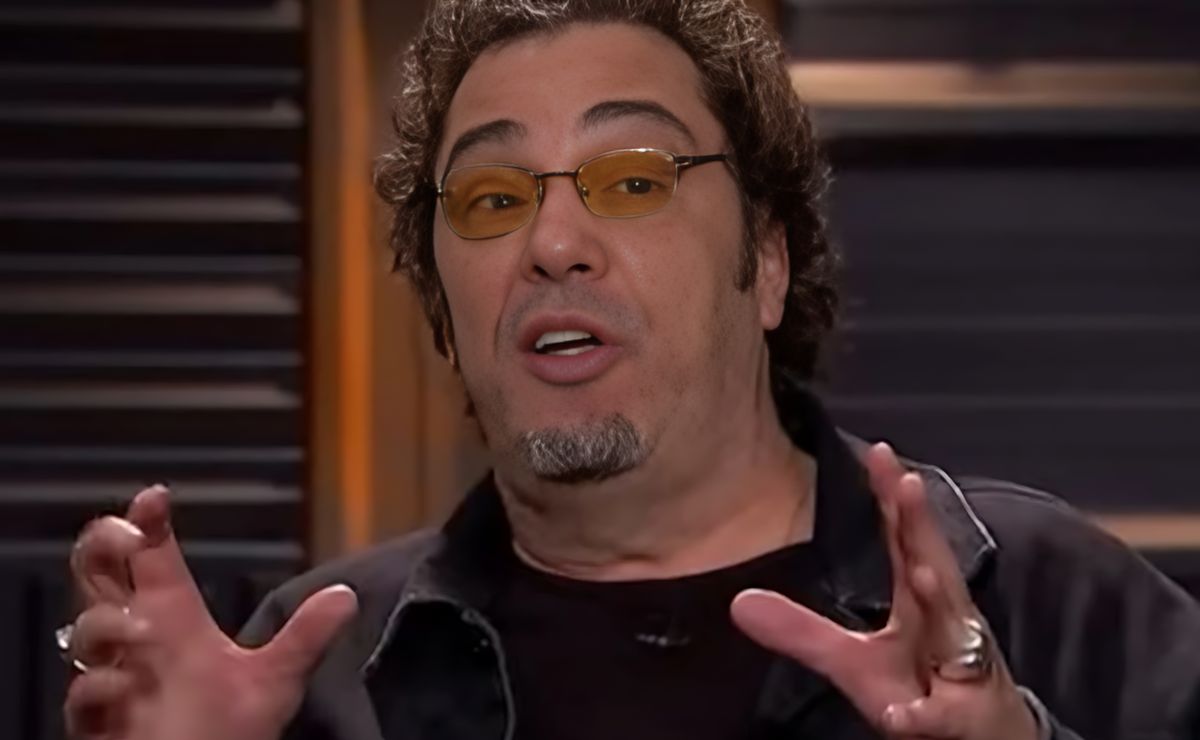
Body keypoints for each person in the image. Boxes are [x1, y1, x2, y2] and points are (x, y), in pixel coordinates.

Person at [61, 1, 1200, 739]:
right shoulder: (316, 671)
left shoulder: (1048, 600)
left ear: (765, 263)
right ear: (445, 311)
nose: (553, 242)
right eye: (493, 198)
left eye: (635, 179)